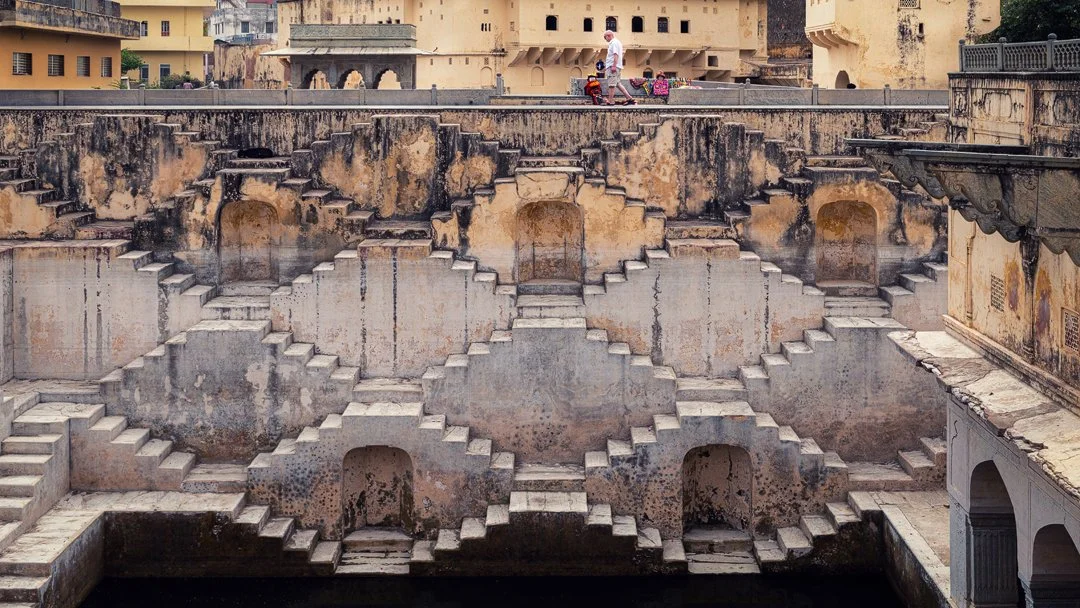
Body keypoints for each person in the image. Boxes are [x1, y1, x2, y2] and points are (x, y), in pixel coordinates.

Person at [602, 30, 635, 105]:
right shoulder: (617, 42)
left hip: (613, 67)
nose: (605, 39)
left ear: (609, 35)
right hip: (616, 66)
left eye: (605, 37)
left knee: (612, 84)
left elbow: (615, 54)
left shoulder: (614, 43)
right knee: (617, 83)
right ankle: (629, 97)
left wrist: (613, 65)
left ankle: (610, 101)